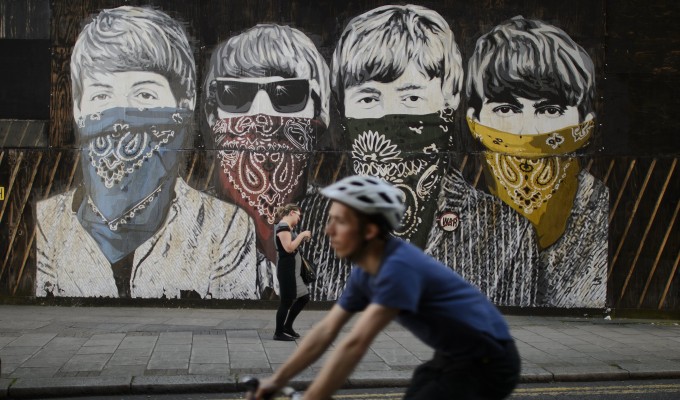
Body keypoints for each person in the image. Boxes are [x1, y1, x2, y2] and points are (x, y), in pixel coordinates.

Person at [302, 4, 540, 306]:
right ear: (343, 107)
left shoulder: (506, 233)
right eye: (368, 98)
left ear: (450, 99)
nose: (390, 117)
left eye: (412, 97)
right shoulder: (309, 220)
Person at [35, 5, 258, 299]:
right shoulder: (47, 222)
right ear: (78, 108)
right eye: (101, 94)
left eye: (144, 94)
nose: (121, 116)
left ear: (184, 105)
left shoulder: (224, 226)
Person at [252, 175, 520, 400]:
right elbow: (325, 331)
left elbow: (355, 343)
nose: (328, 231)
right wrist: (276, 380)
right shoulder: (365, 270)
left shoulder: (397, 268)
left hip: (490, 361)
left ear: (369, 231)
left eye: (339, 221)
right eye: (330, 220)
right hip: (453, 355)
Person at [465, 16, 608, 307]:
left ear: (584, 121)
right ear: (474, 119)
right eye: (506, 109)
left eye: (550, 110)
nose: (527, 129)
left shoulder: (601, 205)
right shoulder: (458, 201)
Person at [272, 204, 312, 341]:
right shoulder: (283, 227)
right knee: (286, 301)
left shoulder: (286, 227)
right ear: (292, 213)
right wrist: (302, 235)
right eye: (298, 216)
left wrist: (298, 237)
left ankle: (287, 326)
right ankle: (278, 332)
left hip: (292, 270)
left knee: (304, 297)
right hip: (287, 270)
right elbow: (288, 248)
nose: (299, 219)